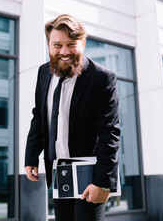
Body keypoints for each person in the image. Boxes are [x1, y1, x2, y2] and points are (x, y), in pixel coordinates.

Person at [24, 14, 121, 221]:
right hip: (59, 170)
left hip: (90, 175)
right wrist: (31, 155)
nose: (64, 51)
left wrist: (103, 182)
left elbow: (110, 133)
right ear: (49, 44)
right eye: (57, 45)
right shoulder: (43, 73)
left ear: (83, 43)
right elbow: (39, 116)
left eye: (71, 44)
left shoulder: (102, 78)